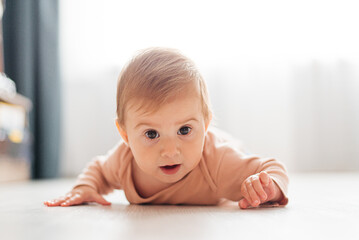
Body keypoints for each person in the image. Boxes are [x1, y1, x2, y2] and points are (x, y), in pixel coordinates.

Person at [44, 48, 288, 209]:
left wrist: (268, 187)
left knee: (238, 152)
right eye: (151, 134)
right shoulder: (124, 160)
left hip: (228, 146)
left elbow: (273, 168)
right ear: (125, 135)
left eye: (184, 130)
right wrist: (85, 188)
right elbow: (98, 168)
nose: (170, 151)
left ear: (204, 125)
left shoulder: (219, 162)